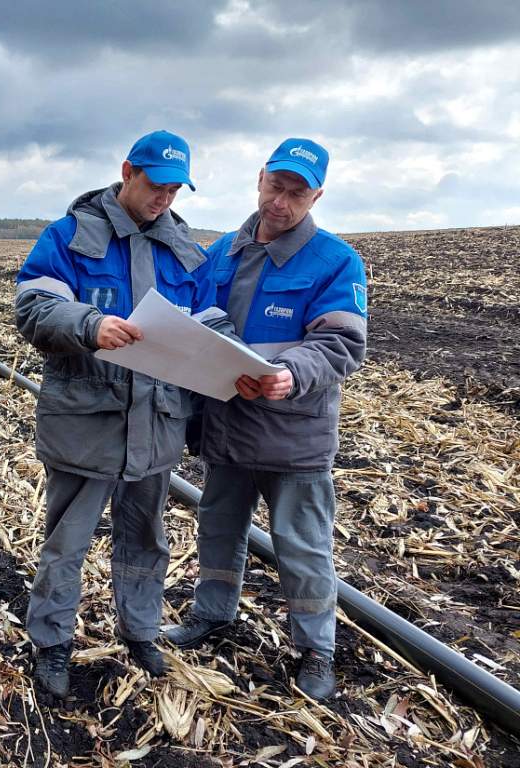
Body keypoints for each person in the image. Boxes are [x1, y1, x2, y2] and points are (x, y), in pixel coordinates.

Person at [14, 130, 235, 698]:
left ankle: (140, 633)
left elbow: (211, 322)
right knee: (68, 540)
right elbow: (35, 307)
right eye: (156, 185)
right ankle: (53, 644)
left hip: (156, 425)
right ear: (127, 172)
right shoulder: (69, 236)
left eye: (175, 189)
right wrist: (89, 325)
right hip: (86, 422)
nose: (165, 198)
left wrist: (229, 357)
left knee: (146, 539)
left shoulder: (187, 250)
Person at [162, 138, 368, 701]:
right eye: (276, 185)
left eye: (297, 192)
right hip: (226, 426)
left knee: (302, 545)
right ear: (259, 178)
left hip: (293, 435)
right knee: (218, 529)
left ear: (316, 195)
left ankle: (315, 649)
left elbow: (341, 344)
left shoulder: (335, 260)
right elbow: (194, 319)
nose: (282, 201)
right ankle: (212, 615)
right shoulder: (223, 251)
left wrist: (290, 373)